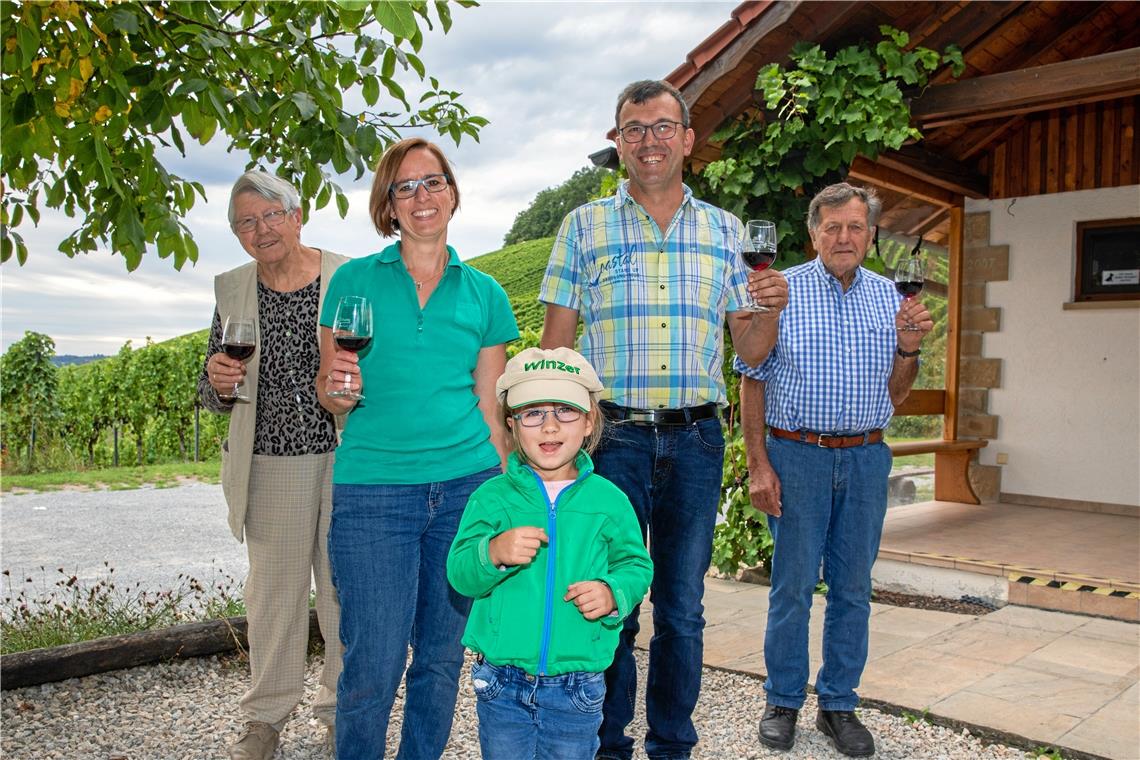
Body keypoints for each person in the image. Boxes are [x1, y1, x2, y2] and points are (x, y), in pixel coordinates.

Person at [539, 79, 788, 760]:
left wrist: (768, 307)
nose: (649, 140)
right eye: (634, 128)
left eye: (662, 127)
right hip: (610, 438)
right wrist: (552, 442)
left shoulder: (727, 233)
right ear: (618, 142)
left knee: (682, 609)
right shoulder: (582, 227)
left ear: (687, 139)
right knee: (609, 602)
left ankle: (672, 745)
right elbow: (556, 348)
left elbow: (751, 352)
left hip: (697, 438)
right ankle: (606, 745)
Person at [317, 137, 519, 759]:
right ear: (389, 205)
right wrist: (337, 394)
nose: (421, 196)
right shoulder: (353, 281)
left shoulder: (485, 293)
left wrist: (509, 490)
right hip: (373, 492)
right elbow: (332, 392)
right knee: (373, 662)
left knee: (439, 659)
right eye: (405, 187)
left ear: (453, 194)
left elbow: (491, 405)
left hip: (465, 489)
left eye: (432, 182)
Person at [736, 182, 932, 758]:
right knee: (792, 587)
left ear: (870, 236)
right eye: (832, 227)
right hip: (796, 456)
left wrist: (909, 348)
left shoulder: (891, 300)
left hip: (868, 458)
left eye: (855, 227)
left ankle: (839, 705)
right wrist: (758, 464)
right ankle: (783, 701)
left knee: (852, 589)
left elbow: (897, 395)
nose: (843, 237)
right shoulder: (779, 291)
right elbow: (752, 378)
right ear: (813, 234)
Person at [198, 171, 347, 760]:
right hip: (270, 463)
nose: (260, 230)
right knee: (274, 602)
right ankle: (265, 720)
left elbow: (378, 367)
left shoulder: (346, 275)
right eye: (245, 223)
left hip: (348, 457)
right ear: (236, 235)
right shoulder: (232, 289)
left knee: (344, 594)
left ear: (297, 215)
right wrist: (215, 381)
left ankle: (343, 712)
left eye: (269, 216)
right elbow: (213, 390)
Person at [447, 347, 654, 760]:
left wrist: (613, 592)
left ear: (589, 421)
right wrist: (493, 552)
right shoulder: (492, 498)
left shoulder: (609, 501)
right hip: (502, 682)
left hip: (578, 685)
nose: (549, 427)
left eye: (565, 411)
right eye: (533, 413)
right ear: (512, 425)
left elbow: (636, 564)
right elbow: (460, 572)